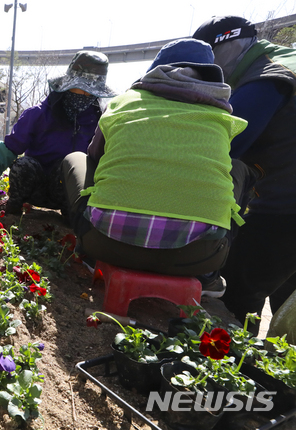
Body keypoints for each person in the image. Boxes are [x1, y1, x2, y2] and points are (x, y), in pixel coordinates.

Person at [60, 38, 257, 297]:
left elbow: (94, 157)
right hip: (197, 257)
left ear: (155, 69)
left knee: (77, 158)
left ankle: (85, 248)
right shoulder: (221, 118)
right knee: (238, 168)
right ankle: (208, 277)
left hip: (105, 243)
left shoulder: (123, 103)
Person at [193, 16, 296, 326]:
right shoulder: (281, 58)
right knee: (285, 309)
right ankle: (274, 369)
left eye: (209, 57)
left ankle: (231, 365)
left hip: (285, 208)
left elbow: (222, 147)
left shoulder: (266, 76)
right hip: (283, 197)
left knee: (235, 291)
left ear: (228, 46)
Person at [0, 51, 116, 215]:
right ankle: (13, 209)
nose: (85, 96)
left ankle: (71, 218)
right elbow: (9, 148)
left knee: (70, 165)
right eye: (80, 89)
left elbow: (104, 162)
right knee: (23, 165)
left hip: (68, 193)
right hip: (34, 186)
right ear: (67, 86)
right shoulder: (38, 114)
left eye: (90, 92)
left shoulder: (99, 122)